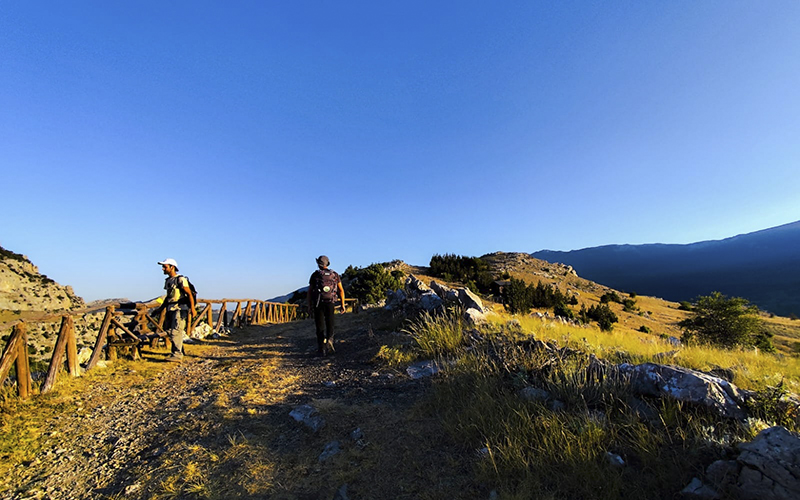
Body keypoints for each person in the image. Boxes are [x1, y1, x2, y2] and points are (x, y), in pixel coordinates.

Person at [156, 258, 195, 361]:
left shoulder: (180, 279)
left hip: (179, 308)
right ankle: (178, 351)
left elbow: (189, 294)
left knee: (175, 331)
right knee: (171, 331)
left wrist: (192, 309)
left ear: (172, 267)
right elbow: (168, 297)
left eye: (165, 267)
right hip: (171, 308)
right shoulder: (169, 280)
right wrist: (160, 309)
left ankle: (177, 355)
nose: (163, 269)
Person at [308, 255, 345, 356]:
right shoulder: (335, 275)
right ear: (327, 263)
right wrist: (342, 304)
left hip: (318, 303)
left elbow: (310, 292)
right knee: (330, 323)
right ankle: (330, 340)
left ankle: (321, 347)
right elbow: (341, 290)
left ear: (318, 264)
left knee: (320, 326)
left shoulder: (315, 275)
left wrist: (309, 306)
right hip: (330, 302)